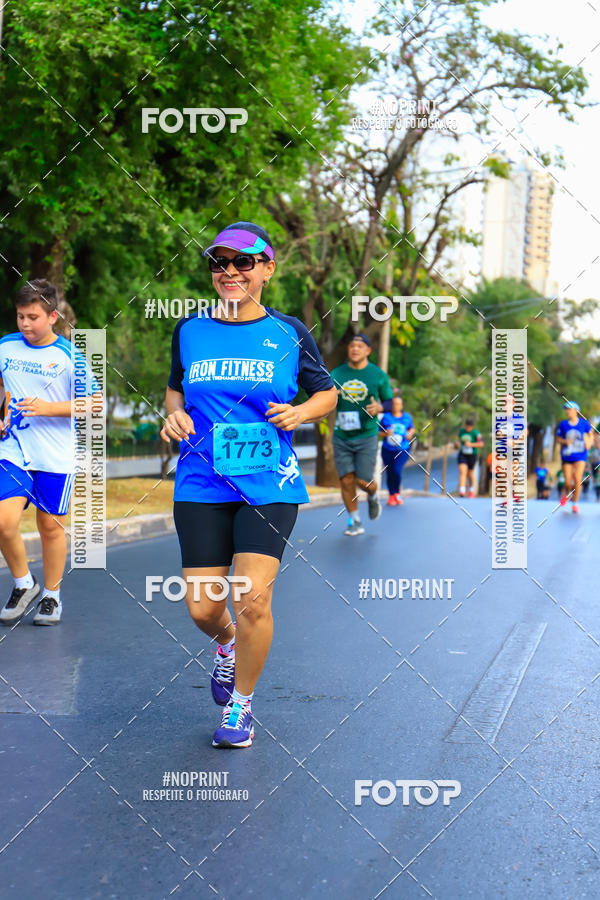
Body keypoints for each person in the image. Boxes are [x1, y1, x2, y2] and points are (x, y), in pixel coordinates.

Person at [161, 222, 337, 749]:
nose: (230, 271)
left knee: (252, 599)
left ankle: (241, 707)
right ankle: (227, 645)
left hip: (269, 482)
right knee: (202, 608)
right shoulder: (190, 330)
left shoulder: (289, 332)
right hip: (201, 479)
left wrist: (301, 410)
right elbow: (175, 393)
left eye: (243, 262)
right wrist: (172, 417)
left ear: (267, 268)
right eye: (220, 263)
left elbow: (326, 394)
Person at [0, 280, 90, 625]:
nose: (24, 324)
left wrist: (48, 408)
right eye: (20, 316)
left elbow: (94, 404)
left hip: (56, 453)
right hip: (14, 448)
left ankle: (51, 595)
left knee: (50, 527)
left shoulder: (70, 356)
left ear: (52, 316)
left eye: (32, 317)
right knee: (4, 521)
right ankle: (25, 584)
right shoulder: (6, 346)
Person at [331, 334, 393, 535]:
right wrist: (332, 396)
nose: (355, 349)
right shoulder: (336, 374)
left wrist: (380, 407)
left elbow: (391, 402)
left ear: (368, 351)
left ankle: (373, 495)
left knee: (363, 481)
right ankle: (354, 521)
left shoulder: (377, 375)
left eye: (359, 346)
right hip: (342, 435)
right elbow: (322, 395)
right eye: (351, 345)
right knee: (346, 480)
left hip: (366, 435)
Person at [555, 401, 593, 514]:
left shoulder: (584, 423)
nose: (567, 411)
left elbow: (591, 435)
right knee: (567, 482)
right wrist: (565, 441)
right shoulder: (563, 424)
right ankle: (567, 494)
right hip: (567, 455)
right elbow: (558, 439)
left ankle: (575, 503)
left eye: (569, 409)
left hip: (581, 455)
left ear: (576, 411)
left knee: (577, 478)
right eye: (566, 409)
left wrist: (589, 443)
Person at [380, 395, 414, 506]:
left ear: (401, 405)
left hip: (402, 449)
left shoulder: (407, 417)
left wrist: (410, 434)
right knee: (389, 472)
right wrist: (385, 433)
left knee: (396, 470)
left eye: (398, 404)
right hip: (387, 450)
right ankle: (391, 495)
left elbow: (411, 428)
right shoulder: (386, 417)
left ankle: (397, 493)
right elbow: (378, 432)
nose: (396, 406)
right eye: (394, 404)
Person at [457, 417, 483, 498]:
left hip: (472, 455)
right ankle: (462, 491)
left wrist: (471, 444)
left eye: (470, 426)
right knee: (462, 472)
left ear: (472, 426)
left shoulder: (476, 433)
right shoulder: (462, 431)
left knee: (470, 474)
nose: (468, 428)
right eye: (467, 426)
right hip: (463, 454)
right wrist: (458, 444)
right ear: (465, 425)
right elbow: (458, 440)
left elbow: (481, 444)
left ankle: (471, 489)